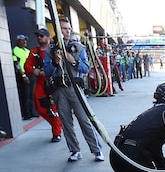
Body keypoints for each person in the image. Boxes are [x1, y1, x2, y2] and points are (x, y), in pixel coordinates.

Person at [42, 18, 103, 162]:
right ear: (58, 30)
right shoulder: (50, 50)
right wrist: (55, 63)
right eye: (64, 28)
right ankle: (75, 150)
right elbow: (47, 71)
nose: (67, 31)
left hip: (75, 87)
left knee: (85, 120)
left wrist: (73, 61)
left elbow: (86, 68)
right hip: (59, 90)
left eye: (69, 28)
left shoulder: (79, 47)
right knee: (66, 122)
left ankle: (96, 150)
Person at [25, 27, 63, 142]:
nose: (39, 38)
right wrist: (34, 71)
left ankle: (57, 132)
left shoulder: (54, 50)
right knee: (40, 108)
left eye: (41, 36)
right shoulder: (34, 51)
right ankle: (58, 124)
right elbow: (27, 66)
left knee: (53, 109)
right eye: (38, 36)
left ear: (48, 37)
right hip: (41, 83)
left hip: (53, 82)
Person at [12, 34, 36, 119]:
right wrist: (23, 75)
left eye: (25, 40)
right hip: (22, 75)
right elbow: (17, 64)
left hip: (31, 74)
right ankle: (26, 114)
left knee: (31, 94)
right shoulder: (15, 50)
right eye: (22, 40)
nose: (25, 41)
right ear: (18, 41)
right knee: (25, 95)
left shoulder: (27, 51)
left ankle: (33, 112)